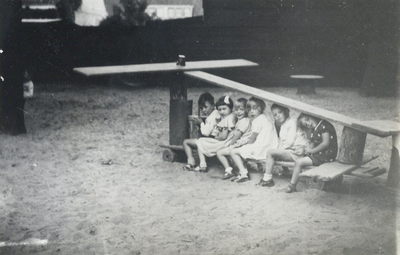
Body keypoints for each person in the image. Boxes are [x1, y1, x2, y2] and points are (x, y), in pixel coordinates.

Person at [258, 104, 310, 187]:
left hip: (298, 152)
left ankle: (267, 179)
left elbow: (290, 141)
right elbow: (282, 142)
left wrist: (278, 151)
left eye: (280, 112)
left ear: (287, 112)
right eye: (275, 115)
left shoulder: (292, 122)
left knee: (271, 152)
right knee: (274, 151)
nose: (277, 116)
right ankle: (286, 172)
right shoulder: (284, 124)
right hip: (292, 150)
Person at [230, 97, 279, 182]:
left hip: (262, 149)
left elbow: (252, 138)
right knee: (244, 149)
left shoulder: (257, 120)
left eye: (255, 109)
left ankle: (243, 173)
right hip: (271, 147)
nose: (251, 111)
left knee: (233, 152)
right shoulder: (266, 118)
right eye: (249, 110)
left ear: (261, 108)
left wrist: (245, 146)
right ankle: (258, 168)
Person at [285, 113, 338, 193]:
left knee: (299, 162)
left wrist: (312, 151)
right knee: (299, 156)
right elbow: (314, 143)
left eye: (307, 119)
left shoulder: (324, 125)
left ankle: (292, 185)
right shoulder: (316, 127)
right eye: (306, 125)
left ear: (312, 115)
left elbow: (325, 143)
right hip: (320, 154)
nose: (308, 124)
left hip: (326, 155)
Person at [194, 95, 236, 172]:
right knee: (202, 141)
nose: (222, 112)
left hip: (224, 142)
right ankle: (202, 164)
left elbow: (223, 136)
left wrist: (216, 137)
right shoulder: (231, 116)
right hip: (228, 141)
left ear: (230, 108)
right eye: (220, 110)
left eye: (224, 109)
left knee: (200, 141)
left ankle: (202, 164)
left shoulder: (227, 119)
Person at [183, 92, 220, 170]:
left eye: (206, 107)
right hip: (212, 139)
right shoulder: (215, 114)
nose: (203, 110)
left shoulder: (213, 117)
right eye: (201, 108)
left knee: (186, 142)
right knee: (195, 141)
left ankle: (191, 162)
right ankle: (193, 162)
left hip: (211, 140)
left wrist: (201, 123)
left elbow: (206, 133)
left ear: (213, 105)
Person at [217, 98, 252, 179]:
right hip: (242, 144)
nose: (238, 112)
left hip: (241, 144)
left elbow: (237, 135)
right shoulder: (243, 120)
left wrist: (231, 145)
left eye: (241, 109)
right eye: (236, 109)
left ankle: (231, 170)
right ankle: (235, 169)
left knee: (219, 153)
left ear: (246, 110)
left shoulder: (244, 121)